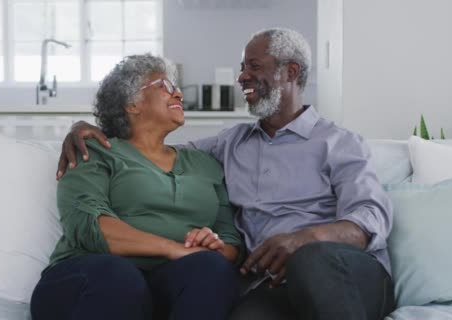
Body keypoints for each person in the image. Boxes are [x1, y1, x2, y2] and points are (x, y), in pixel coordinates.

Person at [57, 28, 394, 320]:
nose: (242, 76)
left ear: (290, 72)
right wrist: (84, 125)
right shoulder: (229, 145)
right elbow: (150, 150)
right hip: (273, 284)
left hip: (344, 273)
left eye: (254, 66)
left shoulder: (339, 143)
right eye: (242, 67)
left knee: (311, 261)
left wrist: (305, 239)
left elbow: (370, 218)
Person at [31, 54, 242, 320]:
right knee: (121, 277)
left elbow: (230, 240)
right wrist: (174, 248)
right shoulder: (94, 150)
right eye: (164, 86)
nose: (178, 94)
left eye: (176, 88)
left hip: (166, 283)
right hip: (89, 280)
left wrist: (213, 245)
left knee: (213, 267)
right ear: (132, 103)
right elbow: (89, 226)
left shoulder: (204, 163)